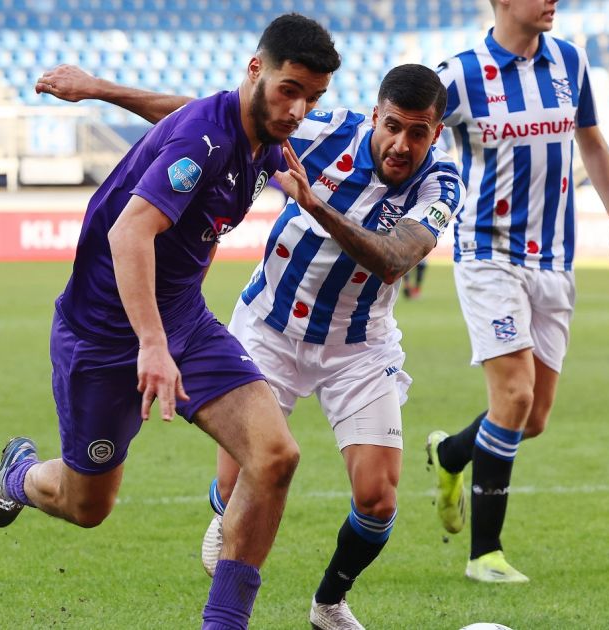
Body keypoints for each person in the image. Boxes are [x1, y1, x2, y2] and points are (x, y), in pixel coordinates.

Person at [36, 62, 462, 630]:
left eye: (419, 133)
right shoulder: (327, 130)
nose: (402, 144)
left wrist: (316, 207)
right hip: (271, 328)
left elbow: (395, 258)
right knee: (247, 476)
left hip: (360, 345)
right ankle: (223, 516)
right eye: (393, 126)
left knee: (379, 499)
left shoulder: (442, 183)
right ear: (375, 114)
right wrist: (101, 90)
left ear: (436, 132)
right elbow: (208, 120)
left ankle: (329, 603)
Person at [0, 15, 340, 630]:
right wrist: (150, 344)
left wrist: (99, 88)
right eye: (290, 90)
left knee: (275, 455)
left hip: (183, 322)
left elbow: (181, 109)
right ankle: (16, 476)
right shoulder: (203, 138)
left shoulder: (258, 132)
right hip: (102, 336)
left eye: (314, 97)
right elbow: (130, 232)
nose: (300, 110)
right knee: (87, 505)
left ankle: (223, 623)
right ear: (256, 70)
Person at [426, 0, 609, 583]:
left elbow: (591, 141)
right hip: (486, 255)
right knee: (514, 398)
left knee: (533, 417)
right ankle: (484, 555)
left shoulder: (570, 60)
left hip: (556, 258)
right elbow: (400, 135)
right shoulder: (458, 75)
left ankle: (450, 456)